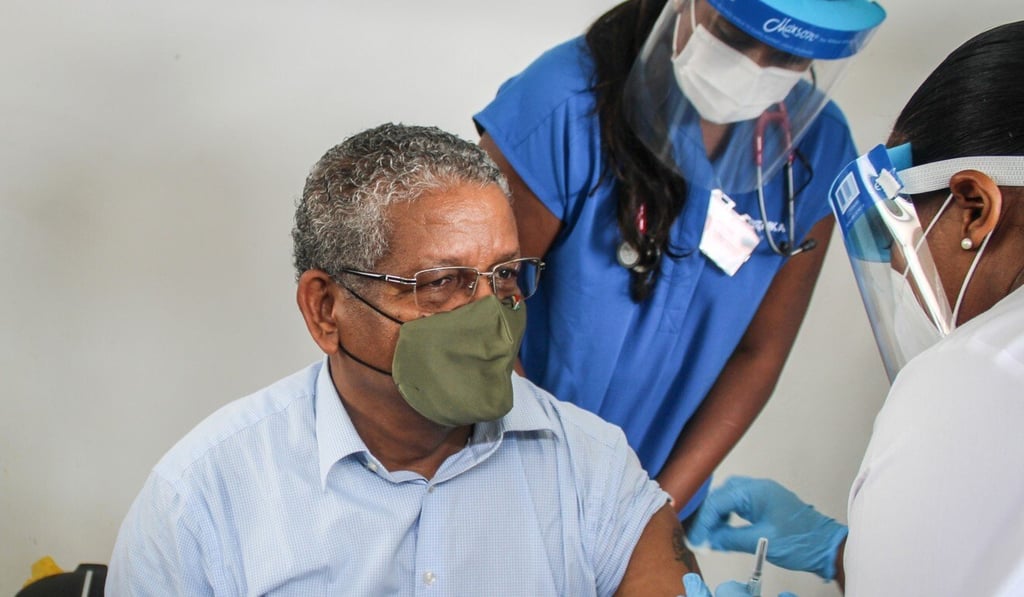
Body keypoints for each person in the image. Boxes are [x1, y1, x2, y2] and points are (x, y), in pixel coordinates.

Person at [105, 123, 703, 595]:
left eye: (503, 275)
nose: (491, 318)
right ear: (326, 309)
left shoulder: (591, 469)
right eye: (441, 283)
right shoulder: (205, 499)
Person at [474, 0, 886, 519]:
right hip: (505, 464)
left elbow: (758, 354)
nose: (755, 67)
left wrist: (656, 511)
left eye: (787, 57)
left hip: (653, 490)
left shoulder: (814, 149)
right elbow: (479, 306)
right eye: (734, 36)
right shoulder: (560, 104)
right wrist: (543, 484)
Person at [685, 21, 1024, 596]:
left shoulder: (970, 380)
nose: (900, 271)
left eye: (896, 241)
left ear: (973, 207)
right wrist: (842, 553)